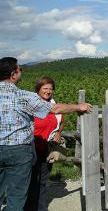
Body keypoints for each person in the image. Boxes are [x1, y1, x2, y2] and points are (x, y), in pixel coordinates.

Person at [0, 57, 92, 211]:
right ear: (13, 74)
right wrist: (78, 106)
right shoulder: (24, 96)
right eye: (19, 69)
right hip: (19, 151)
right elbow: (54, 109)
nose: (20, 72)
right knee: (17, 196)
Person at [24, 77, 65, 211]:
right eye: (45, 88)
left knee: (42, 181)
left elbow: (62, 120)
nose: (48, 91)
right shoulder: (31, 104)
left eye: (50, 89)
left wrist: (58, 133)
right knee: (30, 181)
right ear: (38, 89)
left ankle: (41, 207)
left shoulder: (54, 105)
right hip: (31, 148)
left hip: (47, 149)